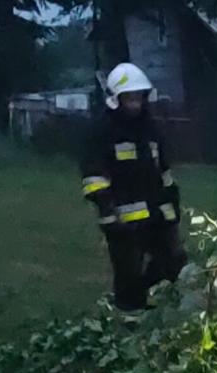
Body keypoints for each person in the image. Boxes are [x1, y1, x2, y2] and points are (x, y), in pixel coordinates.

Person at [80, 62, 188, 312]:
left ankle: (152, 306)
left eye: (139, 97)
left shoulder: (150, 129)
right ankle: (129, 317)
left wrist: (172, 206)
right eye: (130, 98)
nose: (135, 104)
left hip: (157, 214)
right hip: (121, 220)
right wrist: (107, 208)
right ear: (115, 99)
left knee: (173, 264)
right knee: (128, 272)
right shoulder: (102, 131)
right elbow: (93, 175)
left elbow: (163, 171)